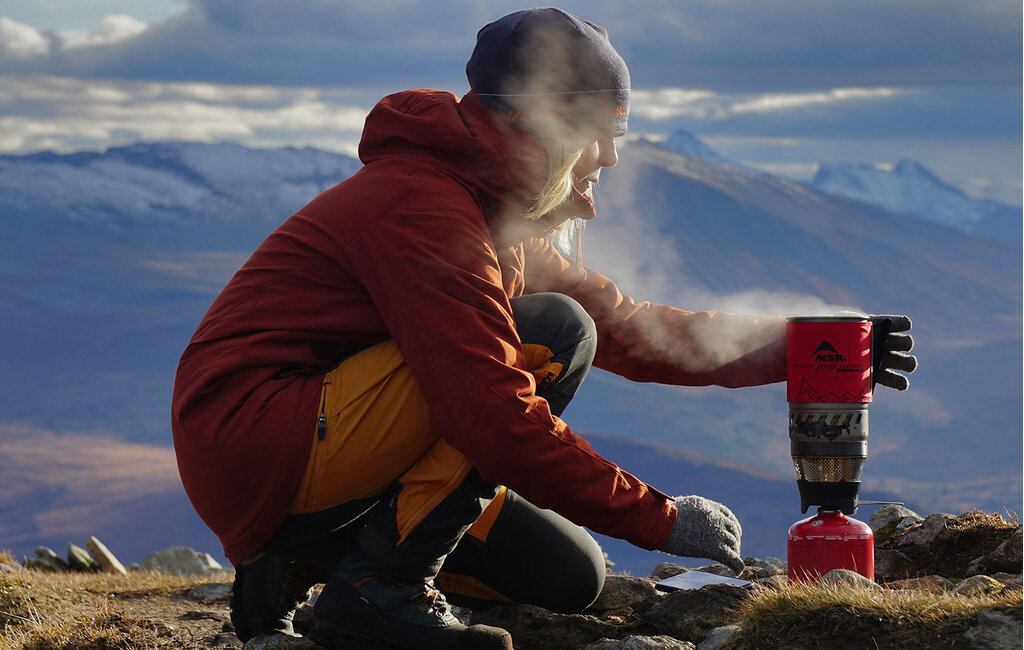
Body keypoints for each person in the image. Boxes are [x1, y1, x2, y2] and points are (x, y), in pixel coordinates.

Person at [171, 8, 916, 650]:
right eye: (599, 130)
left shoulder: (504, 219)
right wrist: (658, 518)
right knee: (556, 330)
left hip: (324, 444)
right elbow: (487, 414)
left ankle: (301, 563)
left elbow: (635, 329)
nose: (613, 155)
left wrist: (810, 347)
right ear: (533, 116)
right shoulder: (426, 208)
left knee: (569, 576)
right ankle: (378, 592)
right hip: (264, 440)